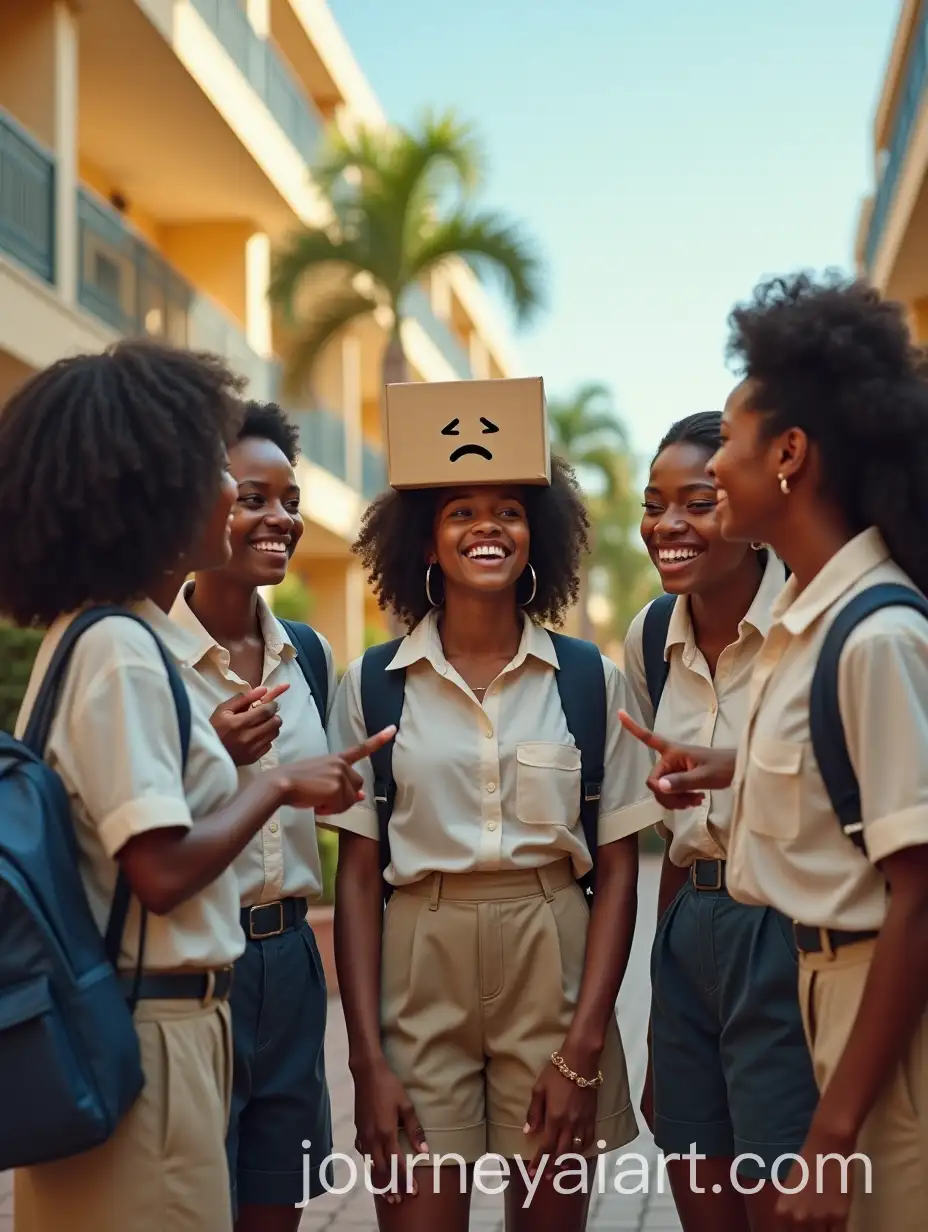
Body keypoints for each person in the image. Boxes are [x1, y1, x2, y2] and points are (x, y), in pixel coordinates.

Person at [0, 341, 393, 1232]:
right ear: (155, 493)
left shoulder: (87, 634)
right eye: (218, 473)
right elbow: (162, 872)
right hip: (151, 1031)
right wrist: (280, 782)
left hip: (157, 1014)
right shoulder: (124, 651)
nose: (236, 494)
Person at [619, 273, 928, 1232]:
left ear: (789, 456)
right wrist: (731, 771)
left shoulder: (876, 633)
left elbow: (920, 887)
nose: (712, 488)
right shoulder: (813, 625)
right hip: (805, 977)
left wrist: (826, 1142)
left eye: (736, 451)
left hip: (863, 994)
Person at [325, 457, 661, 1232]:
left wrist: (582, 1048)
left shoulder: (587, 680)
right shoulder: (373, 683)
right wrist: (366, 1061)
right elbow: (356, 877)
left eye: (508, 510)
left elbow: (616, 872)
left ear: (535, 536)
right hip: (419, 961)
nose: (487, 527)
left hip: (554, 958)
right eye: (460, 513)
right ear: (425, 543)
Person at [623, 411, 817, 1232]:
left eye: (697, 502)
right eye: (654, 503)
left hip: (786, 921)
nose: (669, 525)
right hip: (689, 922)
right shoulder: (649, 636)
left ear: (743, 504)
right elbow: (670, 832)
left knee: (783, 1191)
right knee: (694, 1173)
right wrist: (669, 994)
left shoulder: (809, 622)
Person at [170, 400, 334, 1231]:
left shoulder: (308, 654)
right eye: (252, 497)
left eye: (291, 501)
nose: (280, 520)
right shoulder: (144, 652)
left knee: (280, 1198)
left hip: (294, 963)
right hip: (197, 969)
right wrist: (212, 749)